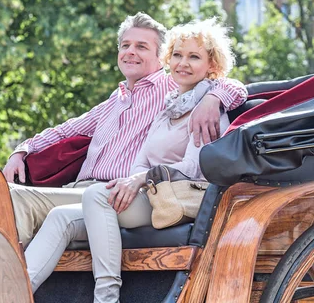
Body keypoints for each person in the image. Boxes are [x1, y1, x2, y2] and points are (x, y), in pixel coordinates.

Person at [24, 18, 236, 301]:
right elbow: (142, 158)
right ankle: (10, 292)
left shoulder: (208, 109)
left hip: (179, 197)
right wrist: (132, 180)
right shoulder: (168, 107)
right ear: (169, 60)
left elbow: (192, 168)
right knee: (60, 217)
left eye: (194, 57)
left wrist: (139, 179)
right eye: (177, 55)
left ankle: (107, 297)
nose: (183, 63)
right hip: (149, 193)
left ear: (211, 65)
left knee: (98, 195)